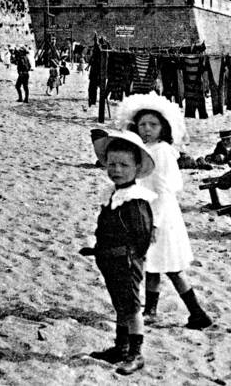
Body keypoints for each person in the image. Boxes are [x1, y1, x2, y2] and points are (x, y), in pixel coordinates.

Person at [117, 92, 213, 330]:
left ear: (163, 127)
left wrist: (155, 223)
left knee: (171, 267)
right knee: (153, 264)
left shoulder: (161, 151)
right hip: (149, 213)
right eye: (143, 124)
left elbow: (164, 190)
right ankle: (151, 310)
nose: (147, 129)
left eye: (153, 124)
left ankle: (197, 312)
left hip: (161, 216)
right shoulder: (145, 148)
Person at [83, 130, 157, 375]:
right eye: (112, 164)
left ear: (136, 168)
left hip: (126, 259)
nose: (116, 169)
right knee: (120, 304)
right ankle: (121, 346)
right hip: (109, 258)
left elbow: (144, 234)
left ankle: (136, 353)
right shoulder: (114, 194)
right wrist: (98, 248)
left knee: (132, 307)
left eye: (124, 165)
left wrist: (132, 255)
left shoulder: (136, 199)